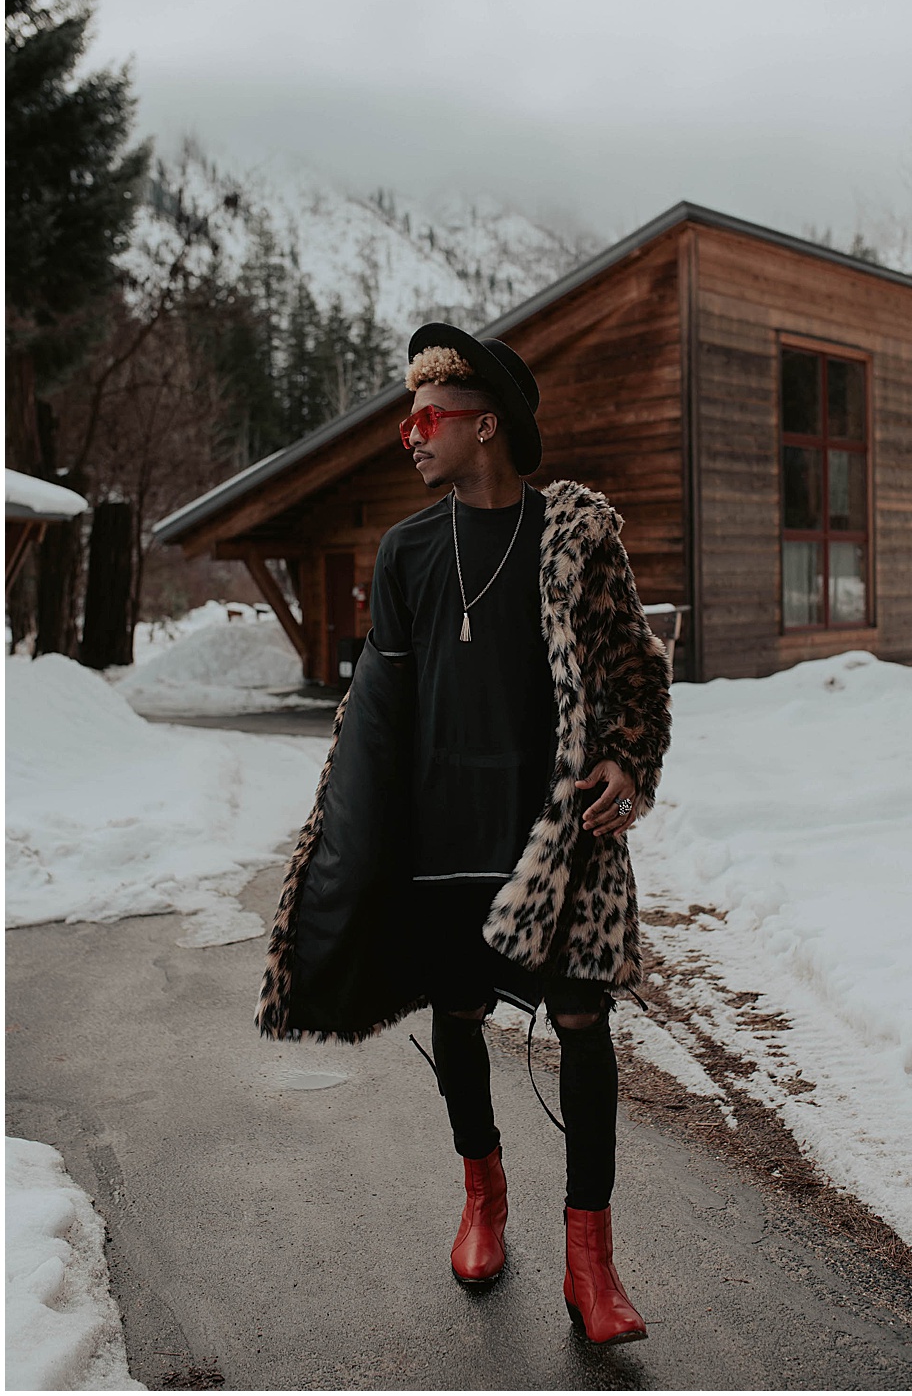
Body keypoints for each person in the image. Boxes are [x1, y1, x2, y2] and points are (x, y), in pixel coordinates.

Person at [255, 322, 673, 1346]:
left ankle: (592, 1260)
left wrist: (626, 757)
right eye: (409, 417)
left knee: (582, 1025)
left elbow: (633, 673)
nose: (411, 434)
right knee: (457, 1012)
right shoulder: (404, 552)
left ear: (485, 425)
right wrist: (352, 843)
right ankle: (481, 1194)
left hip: (555, 839)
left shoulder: (575, 537)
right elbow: (377, 705)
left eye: (428, 416)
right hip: (439, 832)